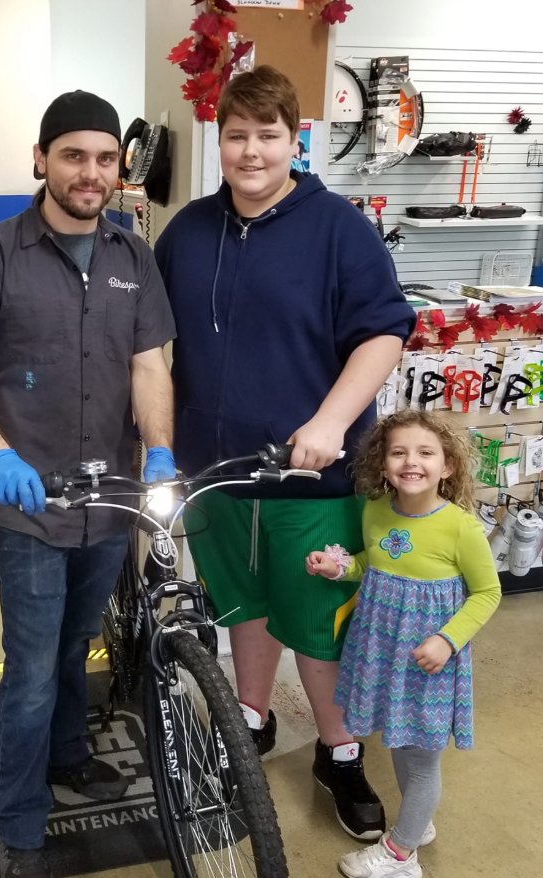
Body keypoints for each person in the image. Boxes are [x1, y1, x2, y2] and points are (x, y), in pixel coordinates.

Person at [153, 65, 416, 841]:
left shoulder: (337, 228)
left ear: (292, 139)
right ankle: (249, 717)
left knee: (318, 623)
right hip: (216, 474)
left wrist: (331, 422)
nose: (250, 151)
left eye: (266, 135)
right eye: (235, 135)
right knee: (244, 603)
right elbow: (144, 342)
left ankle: (338, 752)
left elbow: (382, 332)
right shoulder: (187, 232)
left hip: (314, 477)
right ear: (219, 139)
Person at [0, 90, 176, 878]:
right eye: (72, 156)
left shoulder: (132, 255)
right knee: (30, 669)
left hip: (111, 502)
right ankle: (19, 825)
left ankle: (67, 754)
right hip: (31, 507)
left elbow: (148, 366)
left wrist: (159, 453)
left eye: (103, 158)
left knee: (75, 643)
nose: (89, 173)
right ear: (40, 159)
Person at [306, 409, 501, 878]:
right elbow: (371, 564)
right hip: (383, 652)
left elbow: (487, 593)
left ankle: (400, 854)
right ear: (382, 462)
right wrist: (340, 567)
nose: (411, 461)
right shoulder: (376, 509)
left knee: (420, 759)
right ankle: (417, 823)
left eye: (425, 453)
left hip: (428, 661)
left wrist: (447, 641)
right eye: (399, 452)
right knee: (399, 741)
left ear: (447, 466)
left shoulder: (460, 527)